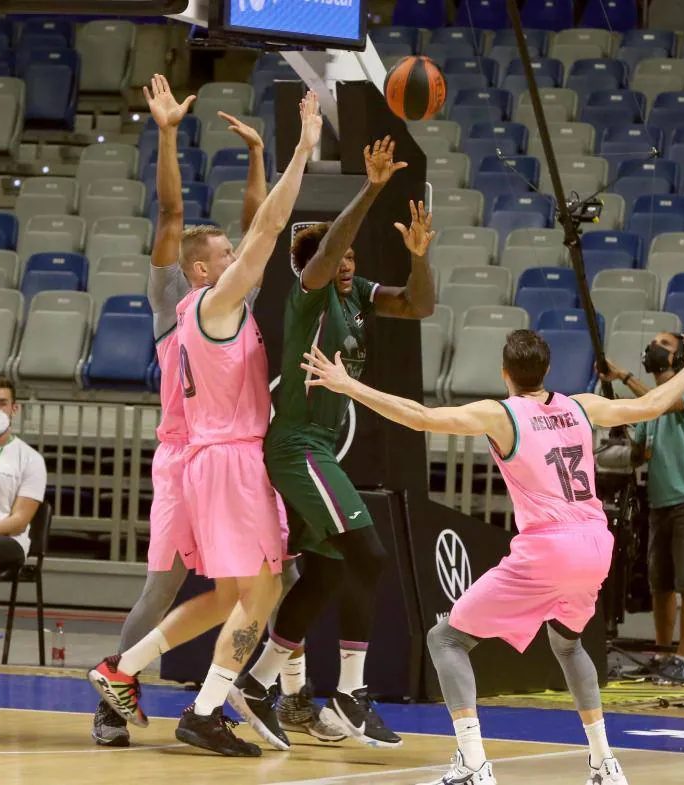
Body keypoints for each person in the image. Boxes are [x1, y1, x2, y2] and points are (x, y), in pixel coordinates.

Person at [300, 326, 684, 785]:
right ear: (547, 370)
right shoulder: (581, 405)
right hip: (595, 543)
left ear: (505, 373)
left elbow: (419, 416)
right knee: (568, 644)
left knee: (445, 640)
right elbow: (650, 406)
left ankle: (472, 762)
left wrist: (348, 386)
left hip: (549, 548)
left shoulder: (500, 413)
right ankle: (605, 763)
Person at [88, 91, 323, 758]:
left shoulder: (222, 299)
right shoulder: (182, 297)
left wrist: (256, 154)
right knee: (196, 585)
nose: (232, 258)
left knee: (234, 592)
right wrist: (298, 147)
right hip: (200, 452)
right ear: (199, 268)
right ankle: (169, 699)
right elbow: (236, 225)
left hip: (208, 455)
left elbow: (254, 228)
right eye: (220, 255)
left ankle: (128, 670)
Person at [232, 141, 435, 750]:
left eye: (350, 255)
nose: (347, 260)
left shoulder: (354, 293)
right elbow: (326, 252)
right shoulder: (311, 292)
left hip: (318, 447)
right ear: (317, 263)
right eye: (337, 253)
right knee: (370, 556)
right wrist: (371, 189)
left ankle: (261, 683)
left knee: (324, 572)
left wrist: (420, 257)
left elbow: (418, 303)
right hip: (297, 446)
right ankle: (350, 691)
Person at [601, 332, 684, 685]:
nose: (655, 347)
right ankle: (663, 653)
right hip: (660, 503)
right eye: (653, 342)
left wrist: (622, 378)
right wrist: (621, 427)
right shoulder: (650, 409)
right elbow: (638, 452)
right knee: (661, 585)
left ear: (678, 358)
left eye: (664, 345)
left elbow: (657, 403)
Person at [0, 377, 47, 606]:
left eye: (2, 403)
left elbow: (19, 521)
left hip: (9, 541)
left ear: (14, 409)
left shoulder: (30, 459)